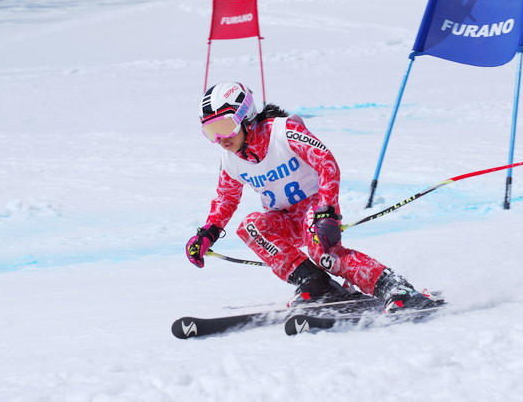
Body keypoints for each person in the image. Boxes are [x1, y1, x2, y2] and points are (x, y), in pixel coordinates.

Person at [185, 82, 440, 312]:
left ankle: (395, 288)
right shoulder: (230, 159)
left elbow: (325, 162)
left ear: (246, 117)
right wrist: (207, 233)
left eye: (224, 127)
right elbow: (225, 199)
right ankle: (316, 284)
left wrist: (328, 209)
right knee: (251, 227)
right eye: (210, 131)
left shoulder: (282, 131)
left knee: (323, 253)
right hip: (284, 220)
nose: (220, 139)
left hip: (314, 209)